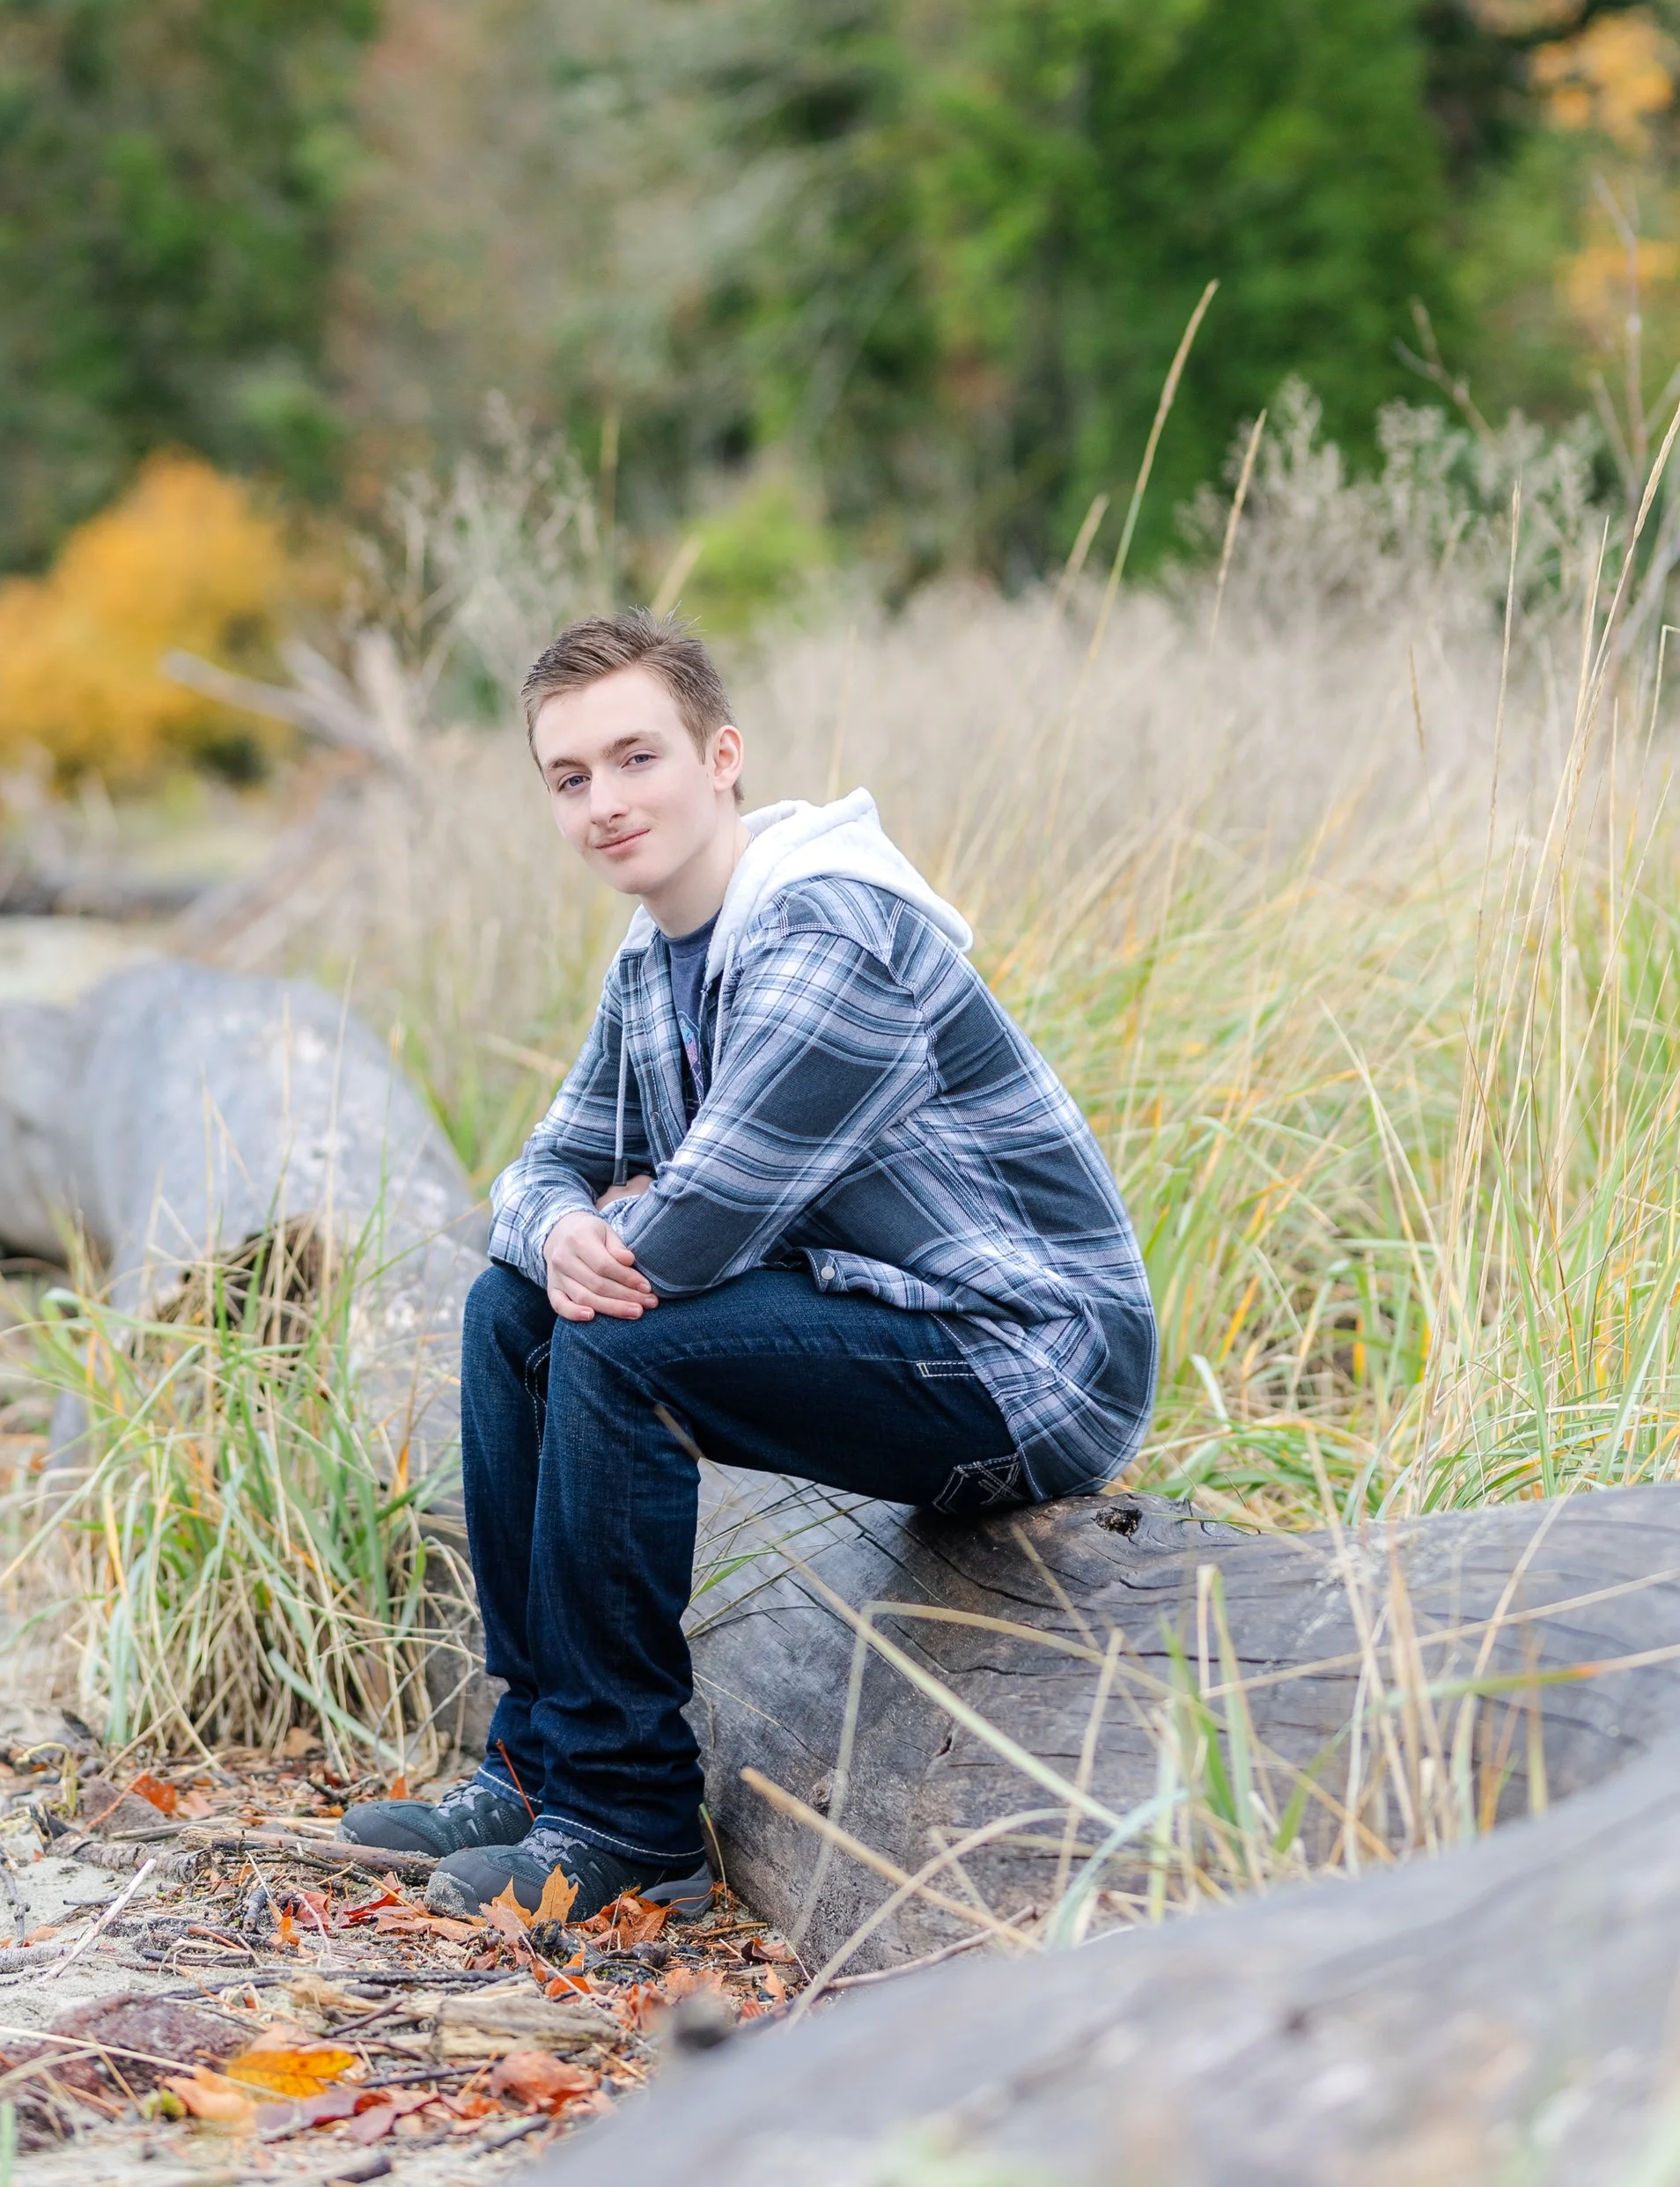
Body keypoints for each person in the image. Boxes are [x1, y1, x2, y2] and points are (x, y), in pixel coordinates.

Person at [342, 608, 1156, 1918]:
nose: (606, 801)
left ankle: (626, 1817)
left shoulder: (825, 927)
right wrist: (555, 1227)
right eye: (570, 777)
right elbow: (538, 1170)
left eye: (636, 757)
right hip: (893, 1323)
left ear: (722, 757)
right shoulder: (655, 950)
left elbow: (703, 1225)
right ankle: (537, 1757)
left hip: (1031, 1360)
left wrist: (613, 1221)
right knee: (510, 1307)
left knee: (612, 1340)